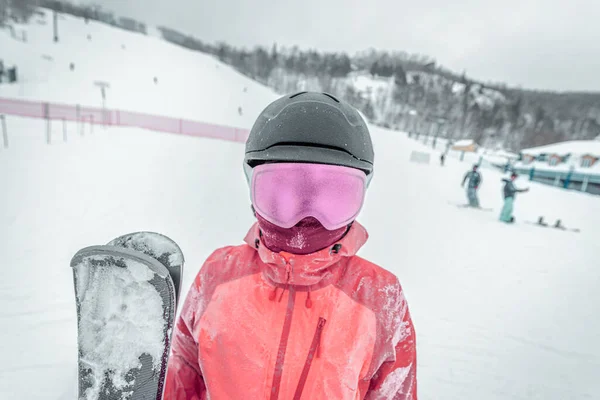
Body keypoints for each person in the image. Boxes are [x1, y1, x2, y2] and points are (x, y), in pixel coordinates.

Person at [164, 92, 417, 399]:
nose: (304, 218)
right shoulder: (220, 273)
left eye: (334, 195)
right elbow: (185, 369)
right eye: (281, 192)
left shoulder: (379, 295)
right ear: (252, 188)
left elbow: (394, 392)